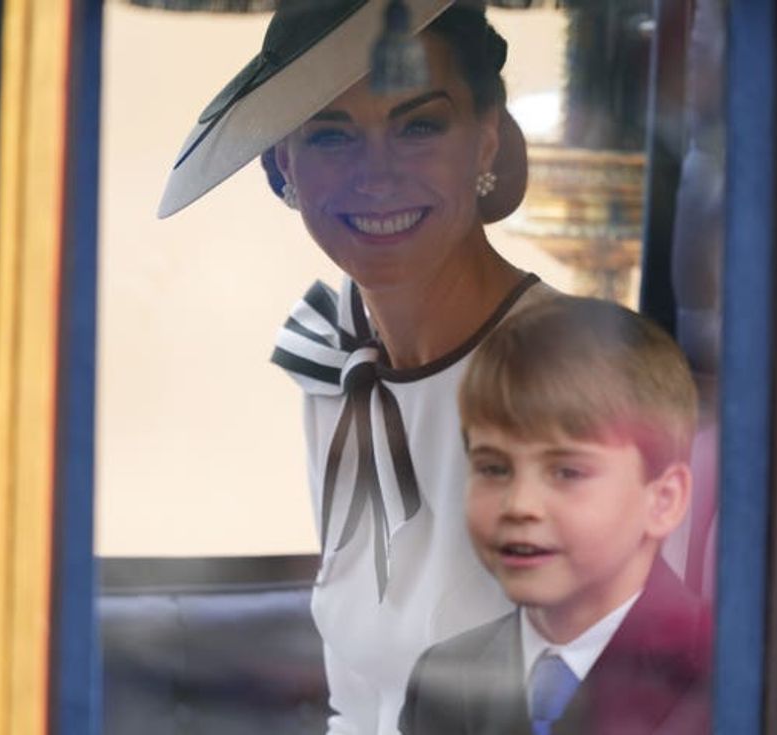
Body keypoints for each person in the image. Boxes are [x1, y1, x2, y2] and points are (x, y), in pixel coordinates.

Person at [159, 2, 554, 733]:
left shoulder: (570, 378)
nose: (376, 175)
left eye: (420, 126)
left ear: (486, 139)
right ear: (286, 165)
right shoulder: (335, 364)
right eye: (332, 135)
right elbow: (358, 697)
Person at [399, 296, 712, 735]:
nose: (520, 505)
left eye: (568, 472)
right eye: (493, 468)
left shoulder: (729, 675)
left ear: (663, 501)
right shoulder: (444, 678)